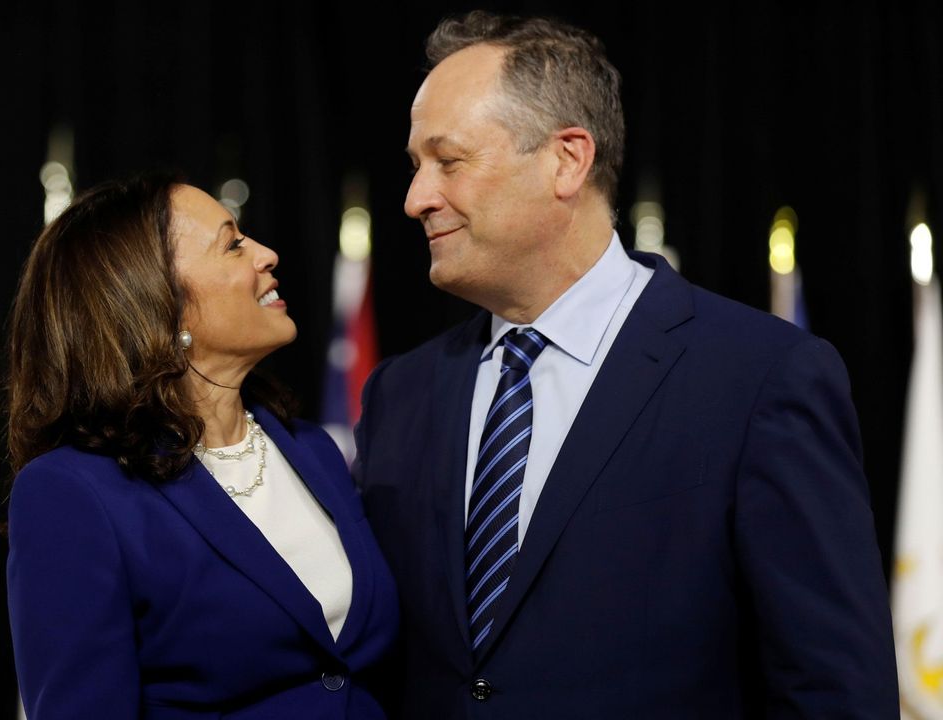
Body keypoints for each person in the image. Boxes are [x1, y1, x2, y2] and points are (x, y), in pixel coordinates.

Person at [353, 11, 898, 718]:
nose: (415, 198)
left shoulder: (759, 379)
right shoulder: (403, 392)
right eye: (415, 167)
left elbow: (835, 692)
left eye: (448, 161)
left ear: (567, 160)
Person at [5, 175, 399, 719]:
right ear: (158, 301)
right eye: (233, 244)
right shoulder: (72, 493)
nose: (266, 254)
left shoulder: (314, 450)